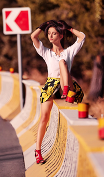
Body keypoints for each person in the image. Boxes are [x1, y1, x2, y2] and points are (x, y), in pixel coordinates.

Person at [30, 20, 86, 164]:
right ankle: (38, 151)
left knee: (63, 63)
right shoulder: (46, 52)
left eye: (54, 33)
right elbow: (33, 37)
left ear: (61, 36)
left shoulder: (69, 52)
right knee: (44, 118)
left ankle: (66, 90)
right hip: (51, 86)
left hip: (67, 86)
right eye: (48, 33)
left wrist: (69, 28)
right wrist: (43, 26)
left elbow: (82, 37)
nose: (50, 36)